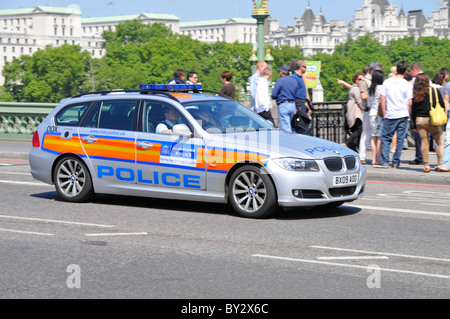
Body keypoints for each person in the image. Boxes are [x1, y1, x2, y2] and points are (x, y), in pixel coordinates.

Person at [375, 60, 412, 169]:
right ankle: (396, 160)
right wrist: (409, 114)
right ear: (405, 71)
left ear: (396, 69)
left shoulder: (387, 82)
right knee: (400, 138)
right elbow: (409, 102)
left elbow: (382, 98)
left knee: (386, 137)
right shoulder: (407, 84)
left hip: (391, 114)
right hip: (403, 113)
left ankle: (385, 160)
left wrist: (384, 112)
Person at [411, 73, 449, 172]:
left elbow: (413, 110)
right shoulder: (434, 91)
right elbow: (441, 105)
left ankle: (426, 165)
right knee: (440, 141)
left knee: (424, 142)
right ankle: (440, 164)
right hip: (433, 119)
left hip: (420, 120)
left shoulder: (416, 93)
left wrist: (413, 124)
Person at [359, 62, 383, 164]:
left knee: (373, 135)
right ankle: (362, 156)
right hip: (371, 110)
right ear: (373, 71)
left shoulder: (373, 84)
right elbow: (363, 96)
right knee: (367, 134)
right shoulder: (365, 81)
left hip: (371, 111)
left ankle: (374, 158)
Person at [271, 65, 297, 132]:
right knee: (288, 125)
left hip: (284, 105)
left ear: (282, 72)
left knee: (285, 128)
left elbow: (274, 95)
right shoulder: (294, 81)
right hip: (293, 105)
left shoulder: (280, 80)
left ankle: (288, 141)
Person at [343, 73, 364, 152]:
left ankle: (353, 147)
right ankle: (347, 143)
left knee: (357, 130)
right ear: (355, 80)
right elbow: (359, 101)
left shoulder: (354, 88)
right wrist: (364, 109)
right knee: (359, 129)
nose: (361, 81)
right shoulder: (356, 89)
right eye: (359, 79)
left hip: (354, 112)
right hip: (356, 113)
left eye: (363, 79)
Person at [367, 70, 385, 165]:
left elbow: (369, 103)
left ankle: (373, 159)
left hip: (372, 113)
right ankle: (378, 158)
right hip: (379, 114)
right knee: (379, 137)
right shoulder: (382, 88)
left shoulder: (370, 89)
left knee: (373, 136)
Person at [291, 60, 312, 135]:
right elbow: (292, 92)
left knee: (307, 124)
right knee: (301, 125)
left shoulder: (301, 77)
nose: (306, 69)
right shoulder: (294, 78)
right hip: (298, 103)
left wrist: (306, 104)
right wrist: (294, 107)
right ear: (301, 67)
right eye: (305, 67)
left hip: (303, 103)